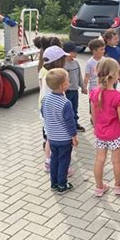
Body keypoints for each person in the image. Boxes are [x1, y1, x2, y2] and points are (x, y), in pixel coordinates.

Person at [89, 58, 120, 197]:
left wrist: (96, 129)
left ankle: (99, 187)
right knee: (116, 161)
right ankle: (118, 186)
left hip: (100, 134)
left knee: (99, 160)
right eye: (118, 73)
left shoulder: (94, 93)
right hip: (115, 134)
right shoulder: (118, 96)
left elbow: (93, 115)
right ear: (113, 75)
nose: (119, 76)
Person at [41, 68, 78, 194]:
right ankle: (62, 185)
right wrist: (74, 136)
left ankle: (54, 183)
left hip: (52, 137)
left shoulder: (45, 99)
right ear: (63, 85)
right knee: (64, 162)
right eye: (68, 80)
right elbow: (70, 122)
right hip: (64, 139)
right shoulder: (65, 102)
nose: (69, 82)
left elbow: (43, 114)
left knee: (54, 160)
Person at [38, 45, 69, 173]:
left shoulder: (44, 73)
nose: (65, 61)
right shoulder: (53, 78)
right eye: (63, 59)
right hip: (53, 111)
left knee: (49, 138)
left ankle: (48, 162)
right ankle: (55, 163)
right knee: (54, 139)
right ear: (58, 61)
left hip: (46, 109)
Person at [63, 41, 86, 132]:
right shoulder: (63, 65)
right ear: (68, 53)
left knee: (75, 108)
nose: (76, 53)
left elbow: (79, 75)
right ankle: (67, 126)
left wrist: (83, 87)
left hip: (75, 90)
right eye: (75, 51)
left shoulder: (76, 63)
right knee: (67, 109)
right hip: (67, 91)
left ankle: (75, 124)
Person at [83, 39, 106, 124]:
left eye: (104, 49)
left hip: (103, 87)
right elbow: (87, 76)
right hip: (93, 89)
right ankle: (93, 117)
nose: (104, 51)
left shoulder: (104, 60)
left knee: (103, 103)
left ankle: (101, 117)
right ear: (94, 51)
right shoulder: (90, 63)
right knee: (93, 103)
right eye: (101, 49)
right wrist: (84, 87)